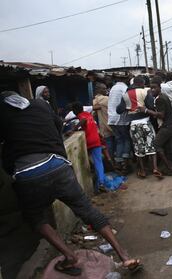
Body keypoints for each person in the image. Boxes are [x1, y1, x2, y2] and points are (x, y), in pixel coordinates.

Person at [0, 91, 142, 276]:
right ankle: (124, 257)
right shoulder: (40, 105)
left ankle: (69, 256)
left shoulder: (5, 120)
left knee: (36, 218)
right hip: (59, 166)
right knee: (87, 211)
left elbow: (8, 163)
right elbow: (61, 127)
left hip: (28, 176)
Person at [139, 76, 172, 176]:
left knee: (156, 145)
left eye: (154, 88)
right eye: (151, 88)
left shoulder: (159, 99)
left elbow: (161, 115)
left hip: (167, 126)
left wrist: (146, 110)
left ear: (160, 87)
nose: (152, 90)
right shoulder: (163, 96)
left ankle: (169, 167)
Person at [117, 76, 162, 178]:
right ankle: (155, 168)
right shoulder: (145, 92)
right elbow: (151, 107)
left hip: (133, 125)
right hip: (146, 122)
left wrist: (129, 107)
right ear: (141, 83)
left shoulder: (125, 95)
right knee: (152, 145)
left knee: (138, 148)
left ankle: (142, 171)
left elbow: (119, 110)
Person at [71, 102, 107, 193]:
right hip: (96, 140)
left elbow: (82, 120)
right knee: (98, 162)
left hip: (88, 141)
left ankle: (95, 180)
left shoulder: (81, 116)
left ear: (75, 111)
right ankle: (101, 183)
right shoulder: (87, 114)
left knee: (85, 161)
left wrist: (73, 129)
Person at [108, 73, 131, 175]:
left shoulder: (113, 88)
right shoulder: (124, 88)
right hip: (121, 119)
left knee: (119, 140)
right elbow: (127, 103)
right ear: (125, 79)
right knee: (126, 139)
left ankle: (118, 163)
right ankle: (125, 165)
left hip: (111, 119)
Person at [93, 82, 114, 159]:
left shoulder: (95, 100)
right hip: (110, 125)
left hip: (103, 126)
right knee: (111, 145)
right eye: (104, 89)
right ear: (98, 90)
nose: (106, 90)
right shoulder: (105, 99)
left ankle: (111, 161)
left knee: (108, 145)